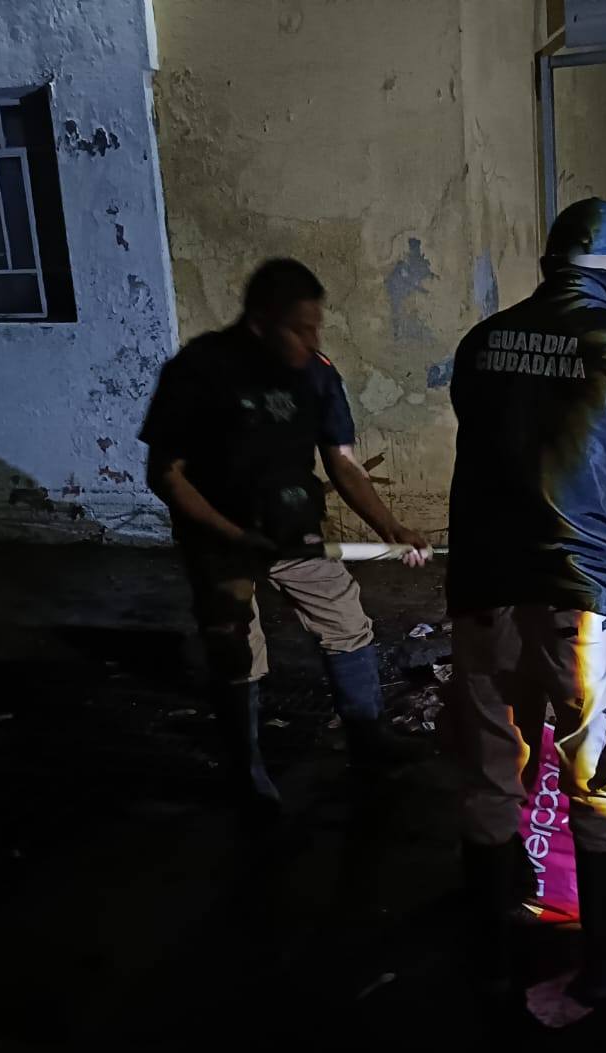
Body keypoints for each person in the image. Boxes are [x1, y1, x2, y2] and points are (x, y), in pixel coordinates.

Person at [445, 197, 606, 1004]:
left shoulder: (482, 343)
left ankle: (487, 941)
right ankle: (603, 952)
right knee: (602, 768)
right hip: (586, 600)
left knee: (491, 762)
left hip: (484, 588)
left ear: (552, 266)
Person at [140, 258, 431, 822]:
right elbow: (166, 473)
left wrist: (389, 527)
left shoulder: (316, 374)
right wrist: (232, 536)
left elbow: (342, 462)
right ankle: (246, 771)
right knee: (234, 644)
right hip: (219, 536)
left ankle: (367, 741)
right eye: (300, 328)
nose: (312, 339)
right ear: (259, 322)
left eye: (316, 326)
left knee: (347, 623)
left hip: (295, 535)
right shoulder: (198, 372)